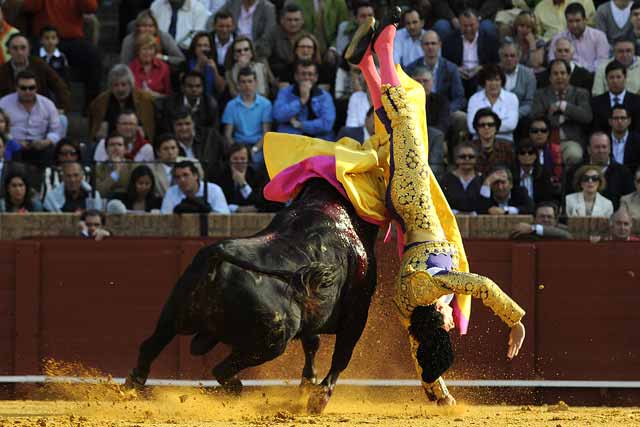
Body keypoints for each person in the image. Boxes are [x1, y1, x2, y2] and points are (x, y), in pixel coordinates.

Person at [343, 12, 525, 405]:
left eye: (444, 326)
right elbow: (421, 352)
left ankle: (386, 45)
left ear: (437, 324)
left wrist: (515, 321)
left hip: (412, 199)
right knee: (392, 129)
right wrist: (437, 392)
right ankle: (365, 63)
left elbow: (480, 286)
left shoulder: (428, 291)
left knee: (406, 115)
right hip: (407, 207)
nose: (449, 320)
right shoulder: (413, 313)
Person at [22, 0, 103, 109]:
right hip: (45, 38)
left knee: (93, 56)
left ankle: (92, 107)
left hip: (72, 39)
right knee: (32, 61)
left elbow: (91, 7)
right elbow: (29, 7)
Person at [0, 70, 63, 188]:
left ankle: (46, 187)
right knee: (11, 150)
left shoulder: (47, 104)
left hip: (40, 145)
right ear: (16, 88)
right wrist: (14, 141)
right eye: (23, 88)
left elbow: (56, 130)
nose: (28, 91)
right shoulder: (4, 103)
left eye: (31, 88)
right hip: (13, 145)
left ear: (36, 88)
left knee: (51, 150)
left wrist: (46, 141)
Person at [532, 59, 592, 167]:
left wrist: (564, 106)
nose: (559, 77)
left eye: (563, 73)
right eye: (555, 74)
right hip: (546, 141)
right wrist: (560, 119)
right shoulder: (540, 94)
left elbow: (586, 116)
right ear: (549, 77)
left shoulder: (581, 93)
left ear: (569, 76)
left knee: (574, 155)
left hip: (571, 141)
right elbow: (536, 118)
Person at [0, 33, 71, 113]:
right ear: (8, 50)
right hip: (11, 113)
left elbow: (59, 86)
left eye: (23, 48)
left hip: (40, 110)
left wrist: (62, 108)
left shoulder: (39, 64)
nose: (19, 52)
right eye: (15, 48)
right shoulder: (2, 71)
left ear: (29, 49)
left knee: (62, 120)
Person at [88, 64, 156, 142]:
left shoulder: (145, 100)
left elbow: (150, 131)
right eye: (116, 85)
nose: (120, 89)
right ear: (110, 86)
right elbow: (93, 133)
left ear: (131, 84)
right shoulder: (99, 103)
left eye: (123, 85)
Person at [441, 8, 500, 98]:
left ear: (478, 23)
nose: (468, 29)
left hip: (481, 74)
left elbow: (496, 62)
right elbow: (445, 62)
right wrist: (456, 69)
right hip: (459, 74)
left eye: (471, 25)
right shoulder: (450, 40)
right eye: (465, 26)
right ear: (459, 25)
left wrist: (482, 68)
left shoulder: (489, 39)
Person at [404, 30, 466, 115]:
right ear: (421, 46)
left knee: (461, 117)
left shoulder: (451, 68)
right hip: (418, 111)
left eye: (433, 43)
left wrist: (447, 110)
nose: (430, 47)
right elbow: (406, 95)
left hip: (445, 111)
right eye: (427, 44)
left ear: (439, 45)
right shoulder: (411, 68)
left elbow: (459, 97)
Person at [272, 59, 335, 141]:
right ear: (296, 76)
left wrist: (300, 125)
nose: (306, 77)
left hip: (319, 141)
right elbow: (278, 115)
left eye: (310, 74)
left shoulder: (324, 96)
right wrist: (301, 101)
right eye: (303, 74)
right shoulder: (285, 93)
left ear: (316, 77)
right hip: (291, 140)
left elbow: (327, 124)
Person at [222, 67, 272, 163]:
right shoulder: (231, 105)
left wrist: (254, 150)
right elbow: (228, 135)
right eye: (243, 82)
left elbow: (266, 133)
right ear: (238, 85)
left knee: (258, 161)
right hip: (238, 144)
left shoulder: (266, 104)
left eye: (250, 81)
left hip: (258, 145)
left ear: (256, 82)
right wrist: (238, 150)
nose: (247, 85)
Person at [548, 2, 609, 73]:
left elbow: (602, 64)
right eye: (570, 21)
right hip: (566, 77)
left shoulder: (599, 36)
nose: (574, 25)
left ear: (585, 20)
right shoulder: (558, 38)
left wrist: (581, 71)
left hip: (592, 76)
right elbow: (552, 61)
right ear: (566, 22)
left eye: (577, 21)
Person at [157, 70, 220, 138]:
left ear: (203, 88)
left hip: (202, 142)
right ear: (182, 88)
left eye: (198, 86)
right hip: (176, 142)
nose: (194, 89)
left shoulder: (210, 104)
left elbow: (213, 132)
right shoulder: (170, 103)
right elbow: (167, 130)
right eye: (190, 86)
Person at [466, 64, 519, 142]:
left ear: (502, 81)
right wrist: (496, 126)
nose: (493, 84)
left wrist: (483, 126)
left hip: (504, 141)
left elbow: (511, 125)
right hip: (479, 141)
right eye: (490, 80)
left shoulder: (511, 98)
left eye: (497, 80)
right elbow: (471, 128)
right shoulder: (474, 99)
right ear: (484, 82)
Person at [213, 143, 268, 212]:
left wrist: (243, 185)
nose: (239, 162)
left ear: (248, 160)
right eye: (235, 159)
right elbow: (217, 203)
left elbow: (259, 203)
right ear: (229, 160)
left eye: (243, 159)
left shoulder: (256, 175)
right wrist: (236, 209)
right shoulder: (220, 175)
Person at [120, 9, 185, 66]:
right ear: (138, 27)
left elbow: (180, 59)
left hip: (160, 71)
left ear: (155, 27)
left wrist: (163, 58)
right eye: (144, 26)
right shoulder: (129, 40)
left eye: (151, 26)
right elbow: (124, 64)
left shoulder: (164, 37)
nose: (147, 29)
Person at [160, 159, 229, 213]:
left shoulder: (214, 190)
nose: (182, 180)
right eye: (178, 177)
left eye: (185, 175)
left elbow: (223, 216)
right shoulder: (171, 192)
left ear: (195, 175)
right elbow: (165, 218)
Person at [591, 62, 640, 134]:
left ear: (625, 77)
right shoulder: (596, 102)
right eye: (611, 77)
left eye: (618, 77)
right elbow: (596, 129)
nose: (615, 81)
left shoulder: (637, 101)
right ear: (606, 79)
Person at [498, 40, 537, 123]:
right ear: (500, 57)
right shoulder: (492, 72)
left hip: (519, 118)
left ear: (518, 57)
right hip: (495, 117)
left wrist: (514, 115)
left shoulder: (528, 74)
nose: (509, 59)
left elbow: (529, 102)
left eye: (512, 56)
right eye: (505, 56)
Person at [440, 142, 483, 214]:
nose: (467, 159)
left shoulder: (482, 179)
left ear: (476, 159)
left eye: (471, 156)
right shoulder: (446, 179)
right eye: (463, 156)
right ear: (456, 159)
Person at [179, 31, 226, 97]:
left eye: (205, 45)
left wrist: (215, 71)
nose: (202, 49)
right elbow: (183, 87)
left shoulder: (217, 66)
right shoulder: (184, 64)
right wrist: (198, 66)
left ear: (210, 48)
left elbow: (221, 89)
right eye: (199, 45)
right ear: (194, 48)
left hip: (211, 101)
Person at [469, 108, 514, 176]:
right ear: (477, 128)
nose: (486, 127)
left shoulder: (507, 148)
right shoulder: (469, 149)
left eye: (490, 124)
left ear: (496, 127)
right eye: (482, 125)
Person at [128, 33, 172, 98]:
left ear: (155, 50)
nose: (148, 52)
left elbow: (169, 95)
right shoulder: (131, 68)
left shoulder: (164, 67)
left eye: (151, 49)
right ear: (138, 51)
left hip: (159, 104)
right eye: (144, 49)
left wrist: (157, 95)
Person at [513, 139, 556, 204]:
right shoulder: (511, 173)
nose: (526, 155)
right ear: (517, 156)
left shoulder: (544, 173)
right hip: (516, 211)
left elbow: (547, 198)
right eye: (522, 153)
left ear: (535, 156)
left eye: (530, 153)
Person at [95, 132, 135, 200]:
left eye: (119, 145)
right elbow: (100, 192)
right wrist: (116, 172)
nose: (116, 148)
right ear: (106, 149)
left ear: (125, 149)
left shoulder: (133, 166)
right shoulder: (98, 168)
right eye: (112, 145)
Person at [607, 104, 640, 171]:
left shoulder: (638, 140)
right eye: (616, 118)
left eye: (623, 118)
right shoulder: (603, 139)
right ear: (610, 121)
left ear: (629, 121)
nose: (619, 121)